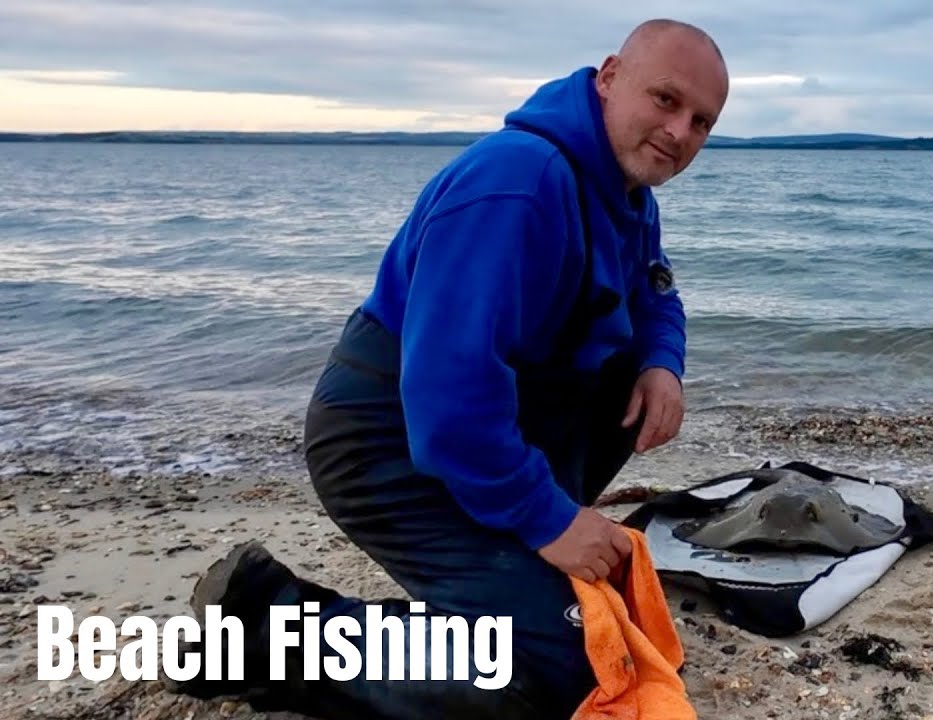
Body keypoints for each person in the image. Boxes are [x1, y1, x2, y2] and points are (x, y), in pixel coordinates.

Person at [165, 17, 730, 720]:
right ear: (610, 77)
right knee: (565, 665)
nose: (681, 133)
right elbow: (447, 399)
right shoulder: (519, 183)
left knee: (592, 608)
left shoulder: (624, 191)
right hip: (384, 441)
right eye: (666, 100)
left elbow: (655, 293)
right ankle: (265, 621)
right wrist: (548, 520)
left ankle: (504, 573)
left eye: (702, 121)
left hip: (477, 431)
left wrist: (661, 363)